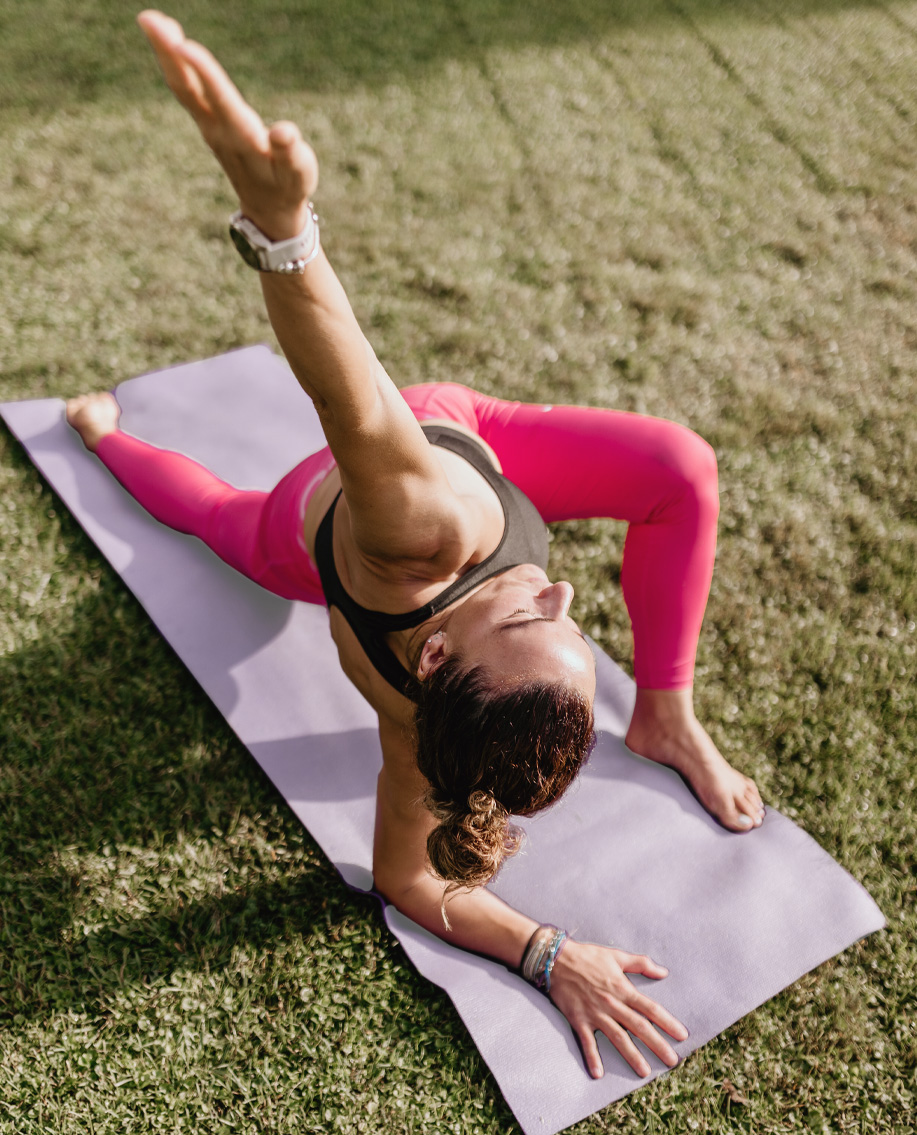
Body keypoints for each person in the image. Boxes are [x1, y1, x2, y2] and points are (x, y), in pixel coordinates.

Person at [66, 10, 765, 1082]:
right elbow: (344, 384)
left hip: (383, 484)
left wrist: (547, 950)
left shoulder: (421, 673)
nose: (566, 595)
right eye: (565, 624)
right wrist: (282, 227)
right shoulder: (428, 605)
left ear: (434, 660)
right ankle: (107, 437)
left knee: (221, 520)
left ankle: (107, 432)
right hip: (457, 433)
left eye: (536, 621)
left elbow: (413, 879)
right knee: (674, 467)